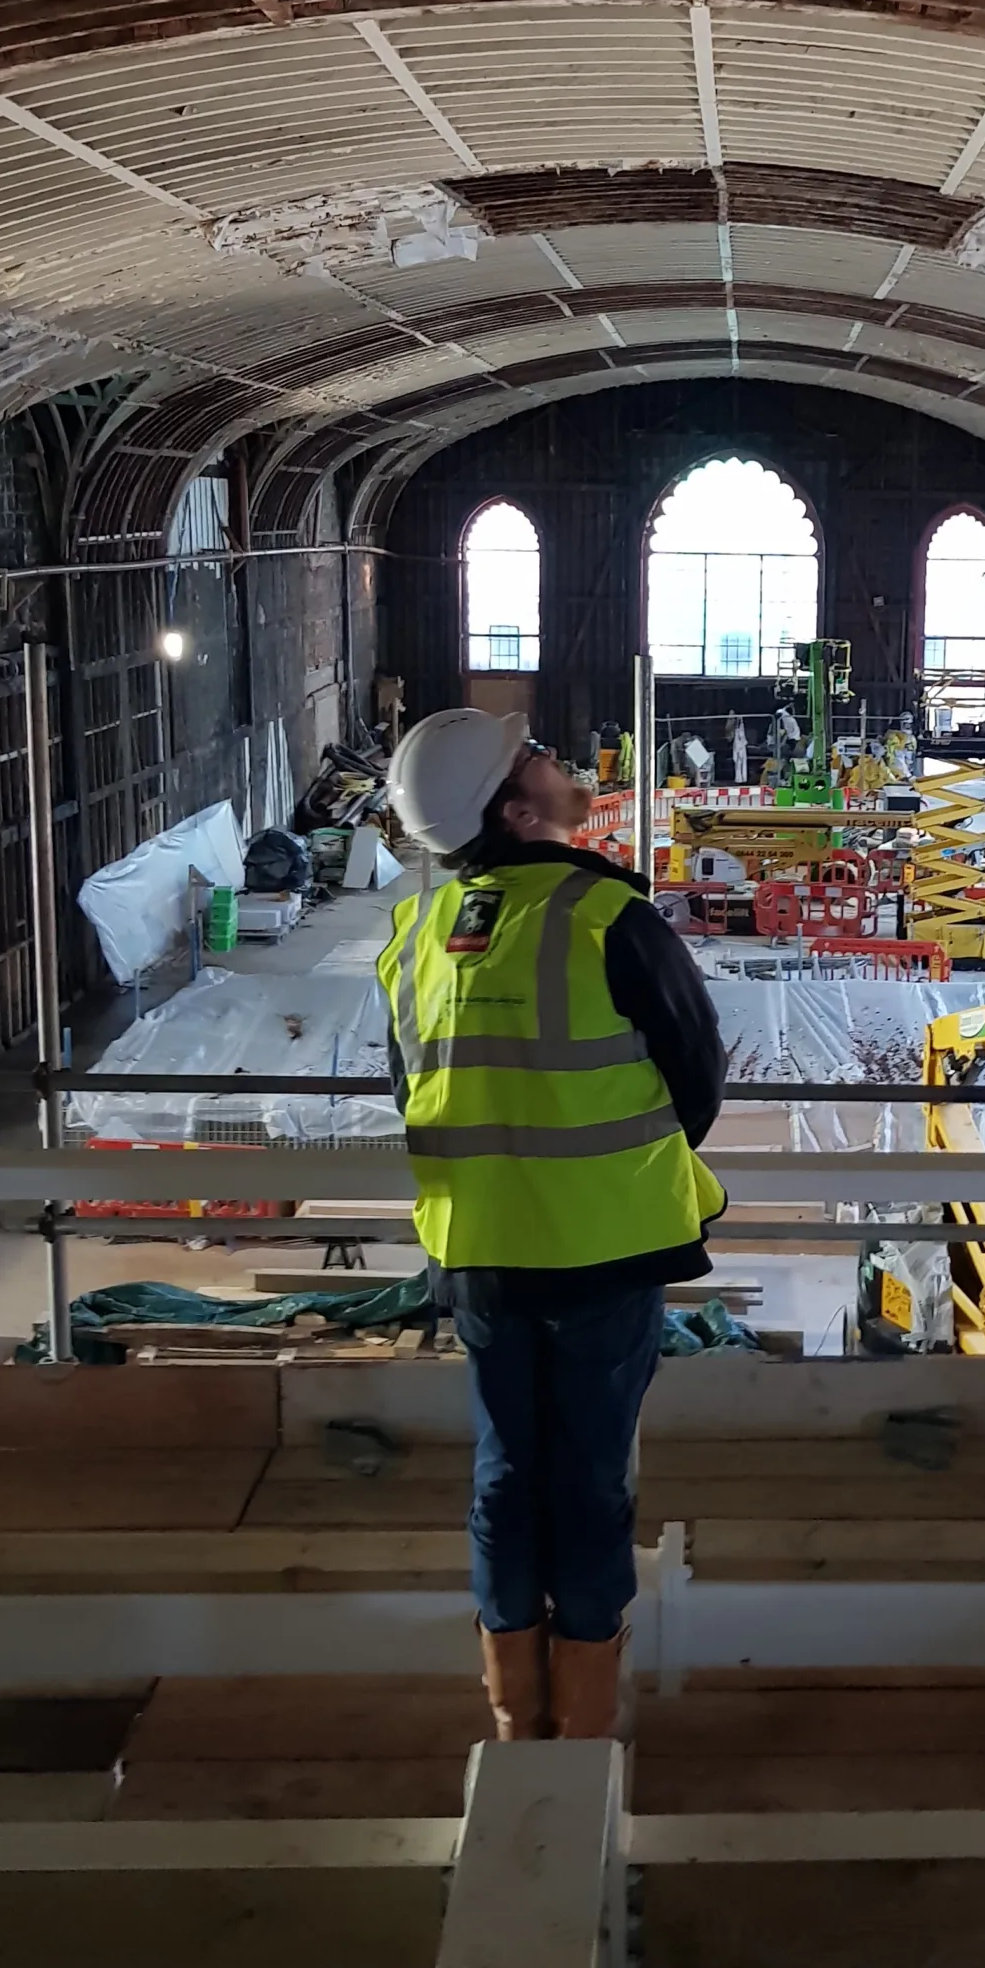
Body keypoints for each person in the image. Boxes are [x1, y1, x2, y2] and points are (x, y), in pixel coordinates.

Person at [379, 709, 726, 1741]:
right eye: (533, 759)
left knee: (506, 1474)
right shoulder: (604, 918)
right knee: (587, 1481)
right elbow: (695, 1083)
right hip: (604, 1255)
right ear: (519, 810)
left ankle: (514, 1715)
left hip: (480, 1260)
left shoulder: (415, 939)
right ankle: (579, 1723)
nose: (559, 762)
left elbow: (413, 1093)